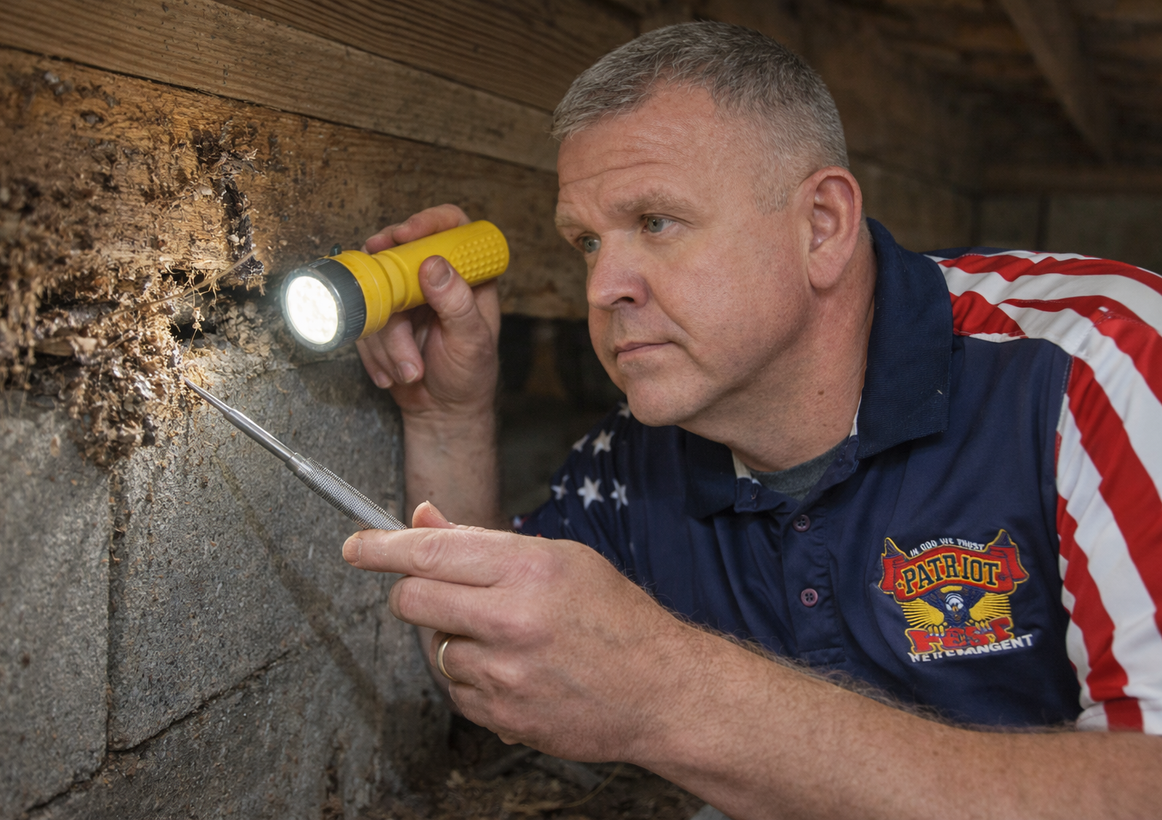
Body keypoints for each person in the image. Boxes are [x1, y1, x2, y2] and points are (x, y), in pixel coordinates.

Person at [344, 21, 1162, 818]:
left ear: (821, 227)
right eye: (586, 241)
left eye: (655, 222)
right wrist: (450, 412)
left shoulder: (1092, 369)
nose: (601, 287)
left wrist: (671, 691)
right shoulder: (631, 464)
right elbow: (494, 663)